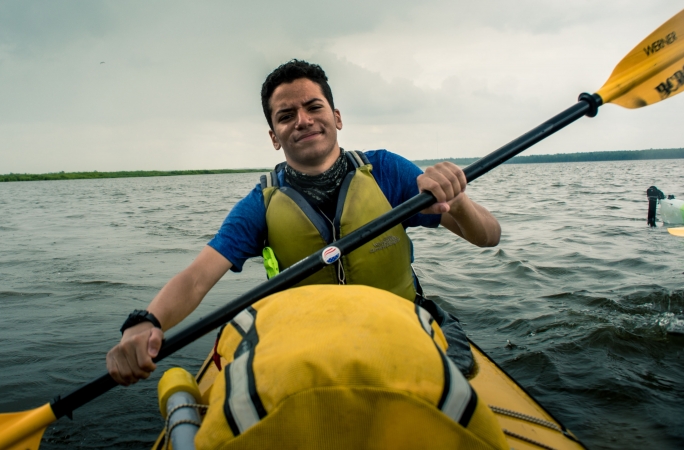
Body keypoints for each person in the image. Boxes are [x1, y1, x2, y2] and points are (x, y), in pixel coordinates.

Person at [106, 60, 501, 386]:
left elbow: (488, 236)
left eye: (314, 107)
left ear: (337, 117)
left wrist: (457, 199)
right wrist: (146, 322)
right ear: (274, 136)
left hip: (401, 326)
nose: (303, 120)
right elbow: (196, 278)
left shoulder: (386, 171)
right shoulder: (260, 204)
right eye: (286, 115)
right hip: (307, 342)